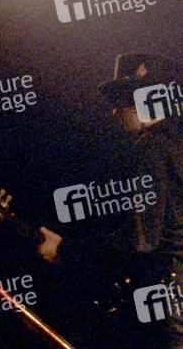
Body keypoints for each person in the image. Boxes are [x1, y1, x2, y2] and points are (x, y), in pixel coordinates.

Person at [38, 53, 183, 349]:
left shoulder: (151, 149)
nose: (117, 110)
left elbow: (141, 240)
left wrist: (66, 249)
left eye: (123, 99)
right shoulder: (176, 147)